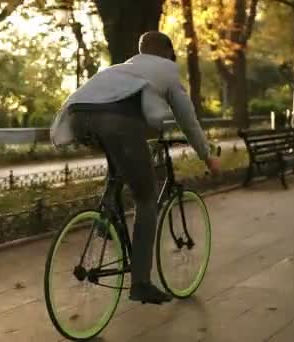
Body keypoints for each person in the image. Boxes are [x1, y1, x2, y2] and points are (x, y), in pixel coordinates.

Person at [50, 31, 221, 304]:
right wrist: (207, 156)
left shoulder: (121, 69)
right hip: (116, 122)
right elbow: (187, 118)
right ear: (166, 52)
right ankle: (141, 282)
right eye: (173, 54)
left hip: (79, 118)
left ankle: (106, 220)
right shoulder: (166, 69)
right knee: (146, 198)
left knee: (122, 161)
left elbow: (141, 111)